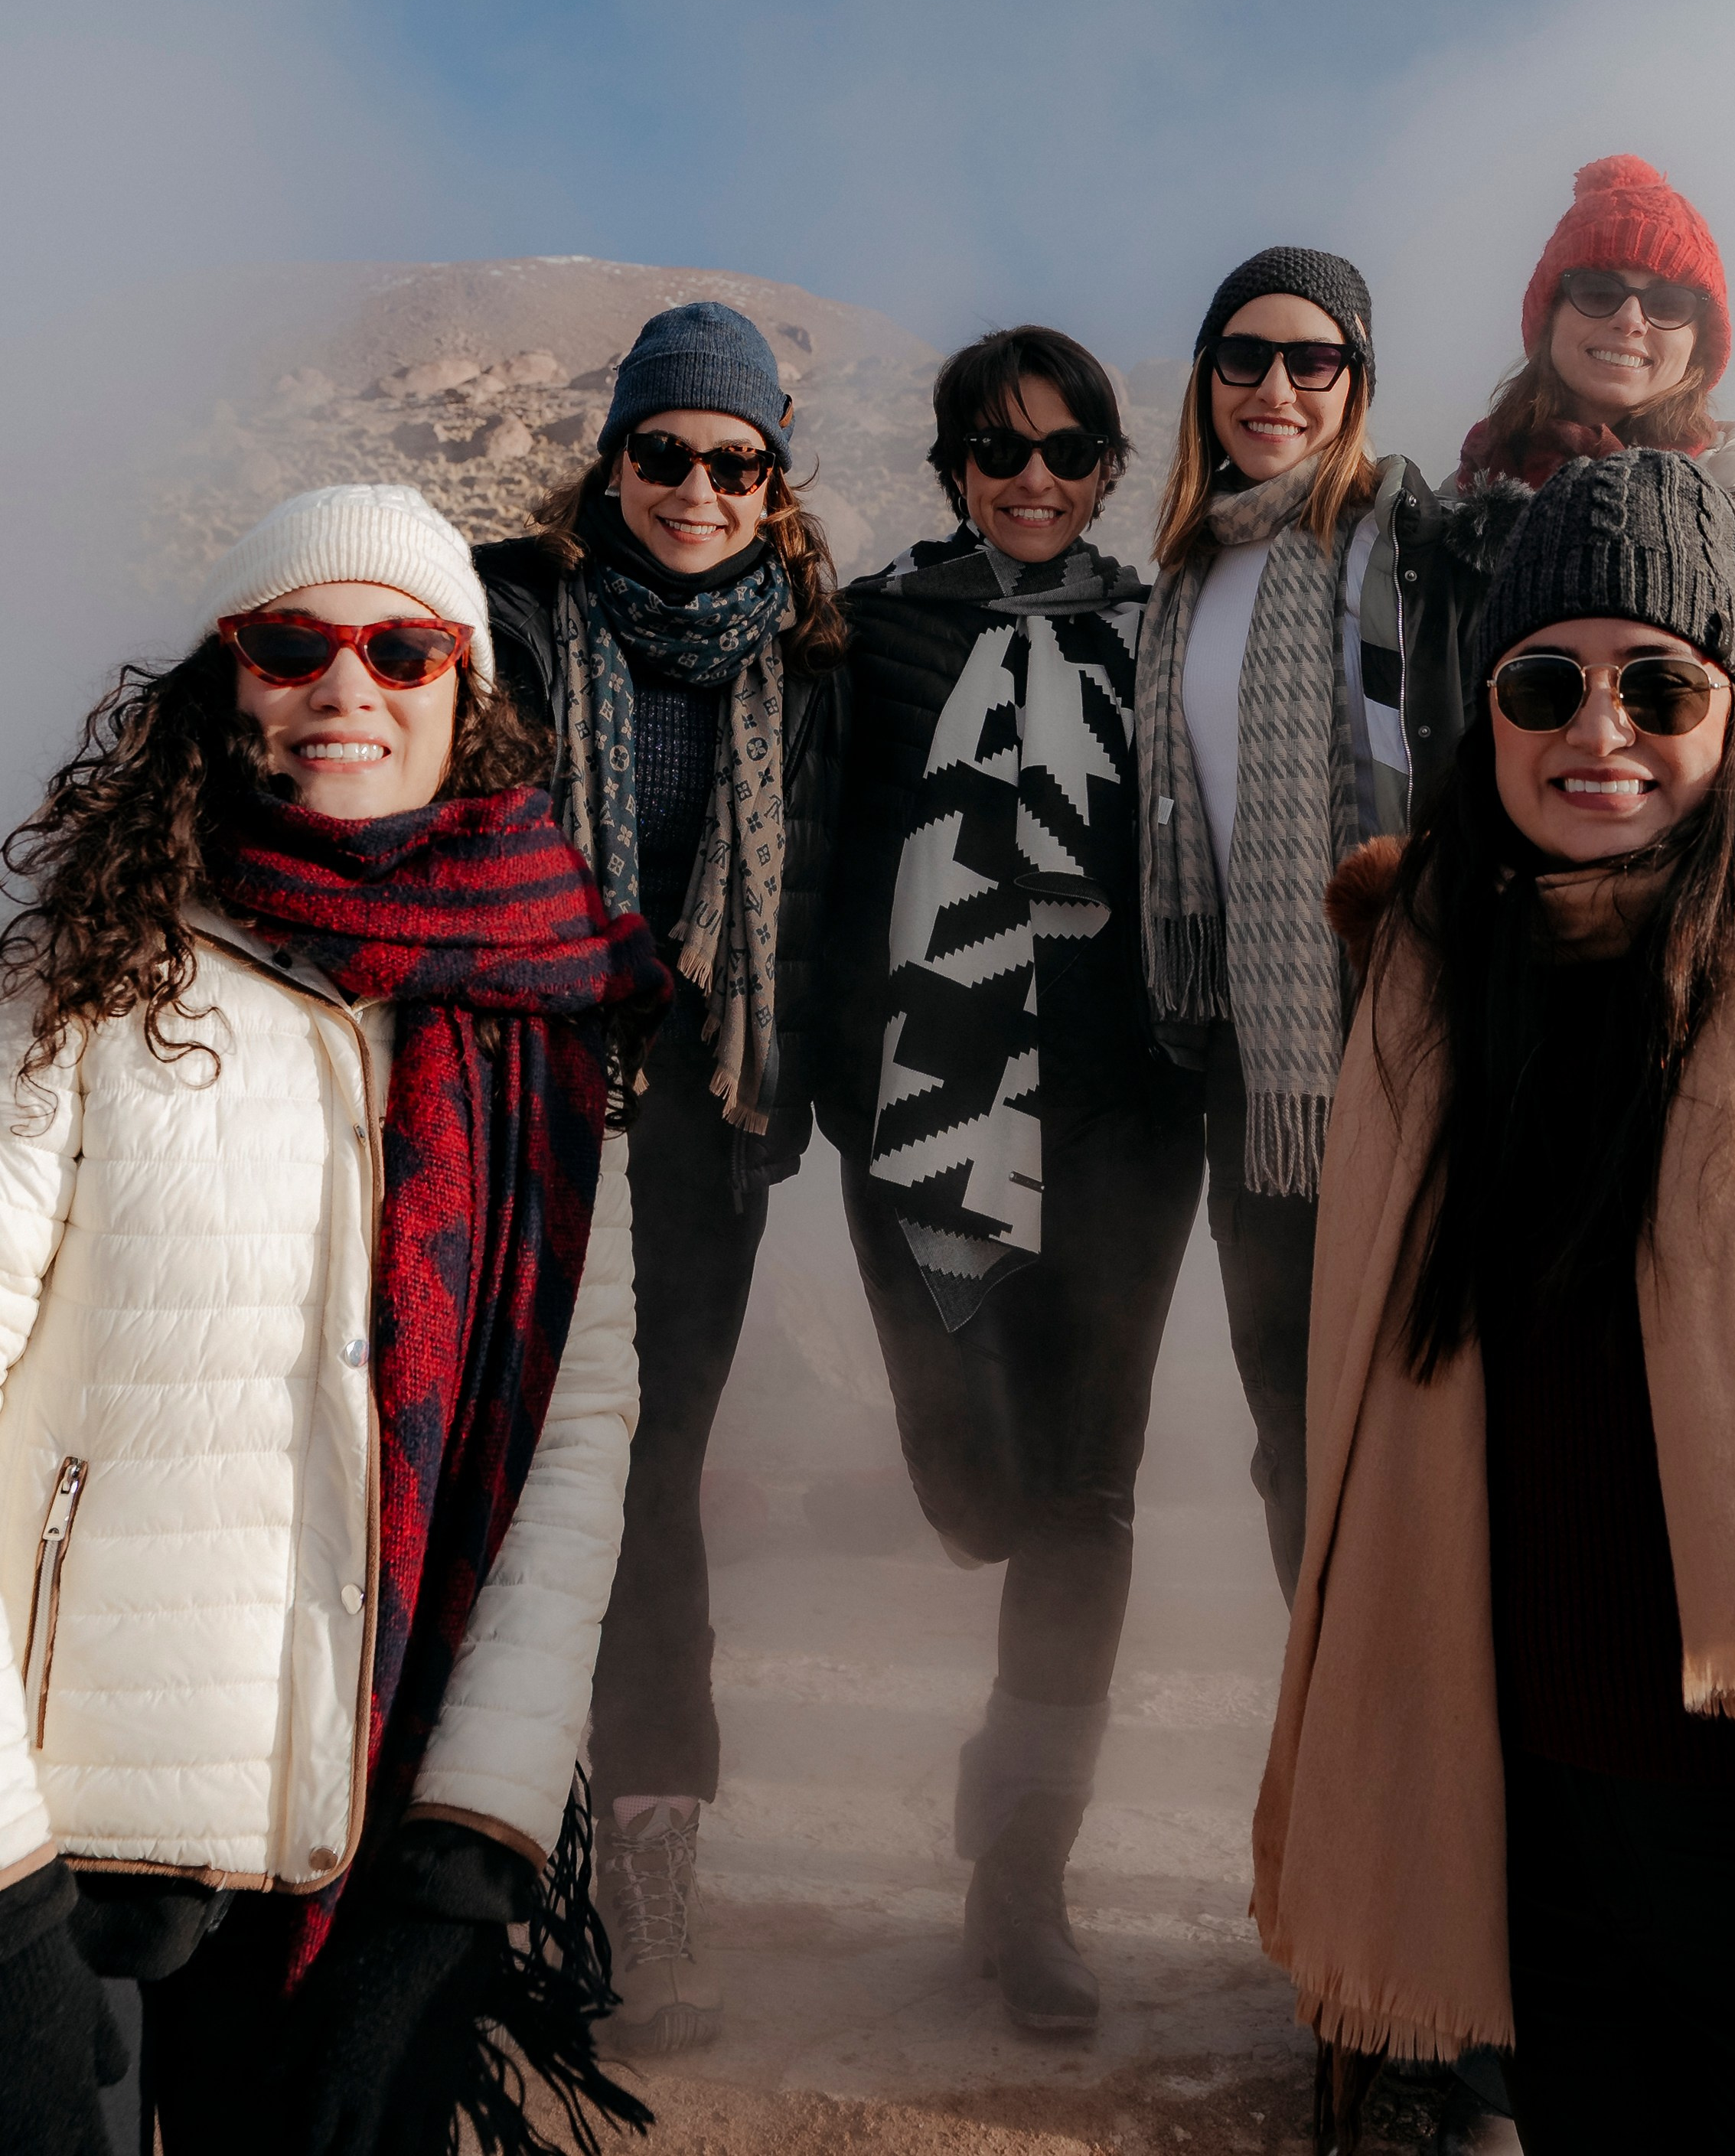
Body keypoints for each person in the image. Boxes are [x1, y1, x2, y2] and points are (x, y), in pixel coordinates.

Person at [1253, 450, 1735, 2156]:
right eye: (1542, 683)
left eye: (1657, 685)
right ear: (1485, 718)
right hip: (1522, 1793)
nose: (1596, 730)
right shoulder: (1426, 988)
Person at [0, 484, 667, 2156]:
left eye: (402, 646)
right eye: (293, 642)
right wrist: (5, 1895)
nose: (345, 687)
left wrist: (465, 1856)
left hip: (366, 1842)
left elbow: (566, 1447)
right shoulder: (94, 973)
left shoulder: (548, 1010)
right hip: (72, 1841)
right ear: (229, 676)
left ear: (467, 688)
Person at [815, 326, 1205, 2034]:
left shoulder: (1156, 631)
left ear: (1111, 466)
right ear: (952, 466)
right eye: (997, 450)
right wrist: (838, 1094)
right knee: (974, 1484)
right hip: (926, 1106)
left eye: (1066, 451)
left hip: (1125, 1123)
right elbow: (820, 867)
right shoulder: (880, 631)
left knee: (1084, 1499)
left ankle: (1022, 1873)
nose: (1031, 478)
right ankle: (1012, 1783)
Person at [476, 300, 846, 2059]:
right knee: (484, 1465)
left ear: (772, 484)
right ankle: (461, 1860)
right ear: (609, 459)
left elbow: (838, 895)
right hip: (521, 1107)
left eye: (731, 461)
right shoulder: (508, 618)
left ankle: (649, 1870)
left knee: (654, 1477)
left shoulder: (811, 656)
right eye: (662, 455)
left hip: (703, 1129)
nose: (694, 488)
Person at [1134, 244, 1524, 1605]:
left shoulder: (1415, 549)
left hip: (1415, 1029)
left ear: (1358, 380)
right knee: (1288, 1416)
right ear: (1206, 377)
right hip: (1260, 1060)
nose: (1278, 387)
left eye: (1316, 359)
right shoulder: (1183, 577)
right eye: (1245, 356)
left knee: (1434, 1398)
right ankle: (1329, 1732)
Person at [1459, 152, 1735, 778]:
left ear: (1697, 341)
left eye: (1670, 302)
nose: (1630, 321)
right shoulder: (1467, 497)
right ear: (1551, 312)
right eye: (1598, 290)